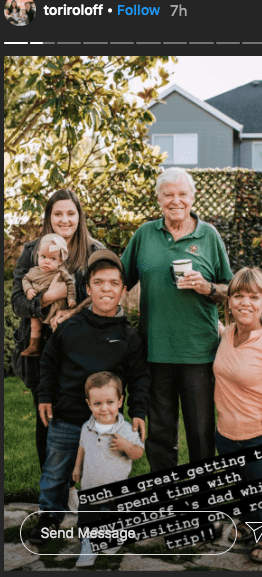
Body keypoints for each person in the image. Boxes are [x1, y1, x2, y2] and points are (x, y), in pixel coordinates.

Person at [28, 249, 150, 544]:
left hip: (107, 424)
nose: (106, 288)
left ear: (123, 289)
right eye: (98, 282)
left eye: (113, 282)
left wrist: (138, 412)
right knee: (55, 471)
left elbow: (139, 378)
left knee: (104, 474)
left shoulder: (129, 337)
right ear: (87, 288)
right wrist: (44, 397)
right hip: (66, 416)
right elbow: (49, 363)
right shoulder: (70, 327)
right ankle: (50, 516)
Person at [121, 167, 233, 472]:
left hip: (198, 353)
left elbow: (230, 289)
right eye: (168, 194)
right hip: (155, 352)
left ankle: (203, 507)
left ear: (193, 197)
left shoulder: (208, 235)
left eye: (182, 194)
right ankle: (166, 503)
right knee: (160, 436)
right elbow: (118, 281)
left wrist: (207, 287)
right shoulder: (145, 234)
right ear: (158, 199)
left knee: (200, 435)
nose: (176, 201)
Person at [11, 189, 105, 470]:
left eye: (70, 213)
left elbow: (104, 298)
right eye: (58, 214)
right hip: (43, 353)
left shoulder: (93, 251)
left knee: (86, 418)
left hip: (83, 349)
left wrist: (72, 311)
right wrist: (47, 298)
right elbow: (18, 302)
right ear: (49, 218)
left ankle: (83, 489)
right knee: (47, 419)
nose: (64, 220)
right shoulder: (32, 251)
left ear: (80, 216)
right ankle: (52, 497)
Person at [213, 266, 262, 564]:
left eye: (253, 297)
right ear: (229, 301)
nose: (244, 302)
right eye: (237, 296)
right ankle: (249, 522)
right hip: (229, 433)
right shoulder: (228, 333)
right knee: (243, 485)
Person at [73, 372, 144, 567]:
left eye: (110, 402)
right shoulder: (87, 427)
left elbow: (138, 452)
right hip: (90, 484)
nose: (104, 408)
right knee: (87, 516)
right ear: (89, 404)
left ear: (120, 401)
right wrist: (77, 467)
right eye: (97, 404)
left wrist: (127, 447)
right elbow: (82, 447)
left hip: (117, 486)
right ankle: (88, 543)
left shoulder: (126, 429)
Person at [21, 234, 76, 357]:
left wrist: (71, 298)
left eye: (53, 259)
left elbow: (70, 283)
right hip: (39, 306)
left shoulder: (61, 271)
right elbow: (25, 280)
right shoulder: (33, 271)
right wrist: (29, 290)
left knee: (56, 324)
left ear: (60, 261)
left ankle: (58, 348)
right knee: (35, 325)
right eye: (43, 257)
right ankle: (34, 346)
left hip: (57, 307)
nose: (47, 261)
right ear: (38, 255)